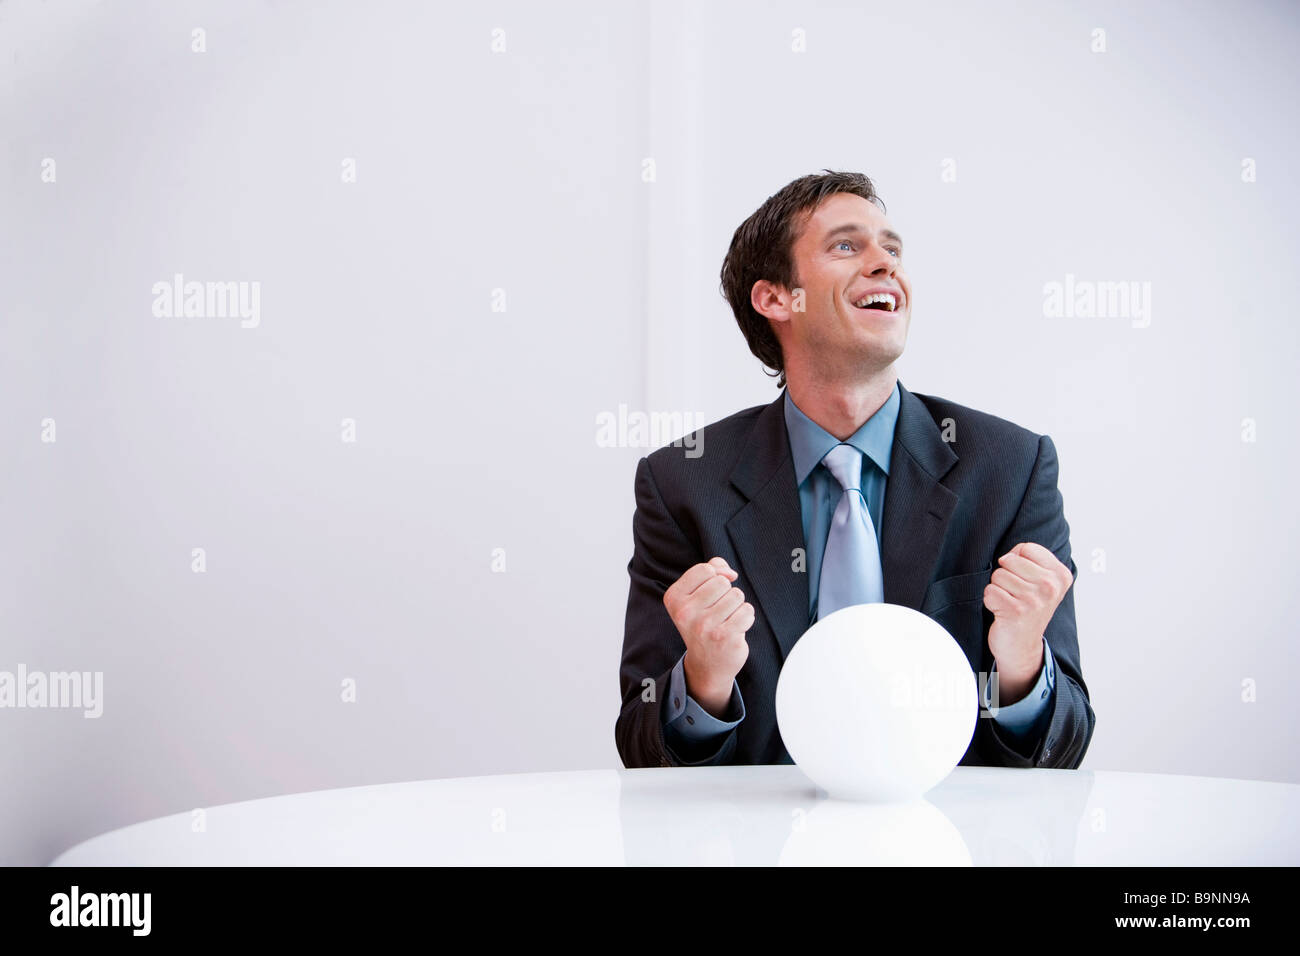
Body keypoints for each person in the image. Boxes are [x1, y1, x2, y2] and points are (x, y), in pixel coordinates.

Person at [615, 170, 1095, 769]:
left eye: (892, 248)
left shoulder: (1012, 468)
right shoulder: (683, 483)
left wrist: (1021, 665)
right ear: (775, 298)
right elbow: (640, 749)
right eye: (847, 245)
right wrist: (704, 680)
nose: (884, 263)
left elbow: (1066, 749)